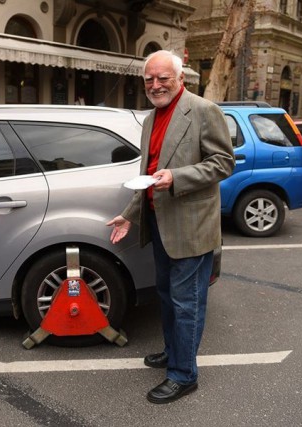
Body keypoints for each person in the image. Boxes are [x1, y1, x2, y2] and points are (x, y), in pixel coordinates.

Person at [106, 50, 235, 404]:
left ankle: (184, 374)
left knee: (186, 303)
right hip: (160, 225)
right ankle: (173, 351)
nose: (155, 84)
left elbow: (224, 163)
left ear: (180, 78)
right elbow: (149, 177)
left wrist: (178, 177)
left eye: (163, 78)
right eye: (149, 79)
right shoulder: (151, 118)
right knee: (166, 297)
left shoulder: (204, 110)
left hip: (192, 226)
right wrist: (129, 214)